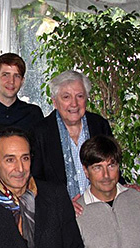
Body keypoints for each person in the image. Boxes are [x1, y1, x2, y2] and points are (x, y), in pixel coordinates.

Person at [31, 70, 113, 199]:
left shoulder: (99, 125)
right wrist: (63, 205)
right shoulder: (40, 132)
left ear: (86, 99)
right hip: (58, 212)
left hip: (99, 208)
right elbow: (34, 181)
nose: (74, 104)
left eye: (79, 96)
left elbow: (111, 168)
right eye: (66, 97)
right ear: (55, 102)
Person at [0, 53, 43, 131]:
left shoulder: (33, 114)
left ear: (22, 81)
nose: (11, 81)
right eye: (5, 75)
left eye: (17, 76)